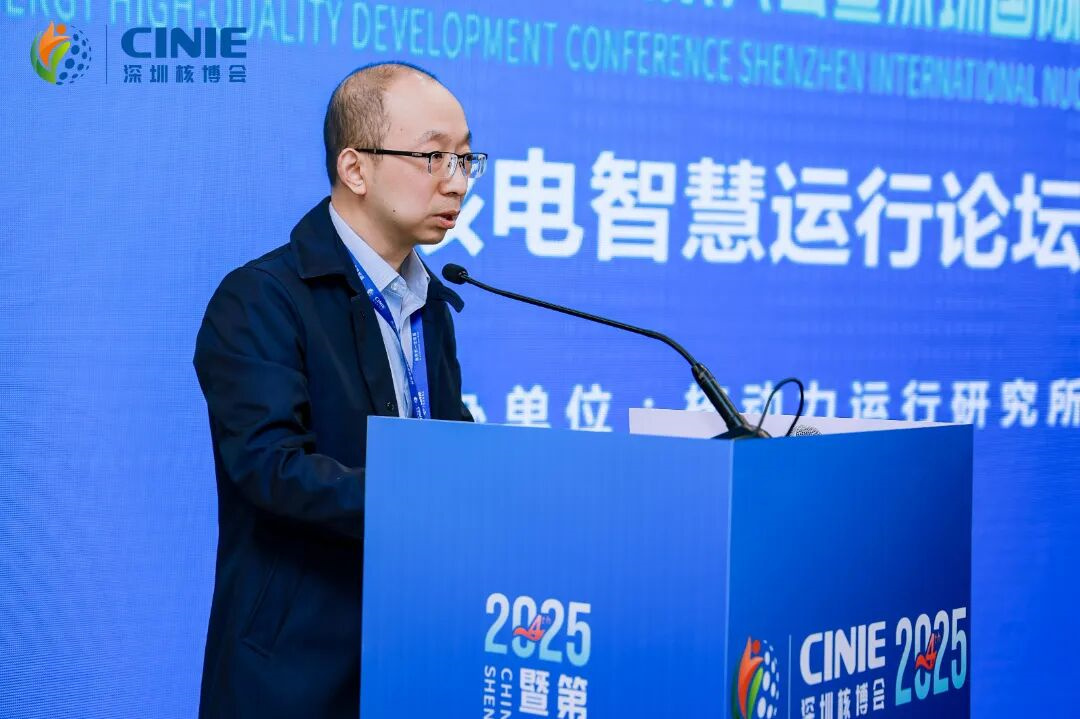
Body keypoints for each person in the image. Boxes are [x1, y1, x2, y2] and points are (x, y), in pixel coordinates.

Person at [192, 62, 484, 719]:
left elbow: (448, 449)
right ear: (355, 168)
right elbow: (272, 468)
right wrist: (419, 500)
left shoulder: (431, 306)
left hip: (413, 650)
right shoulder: (261, 299)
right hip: (294, 671)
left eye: (466, 159)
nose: (457, 181)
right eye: (433, 157)